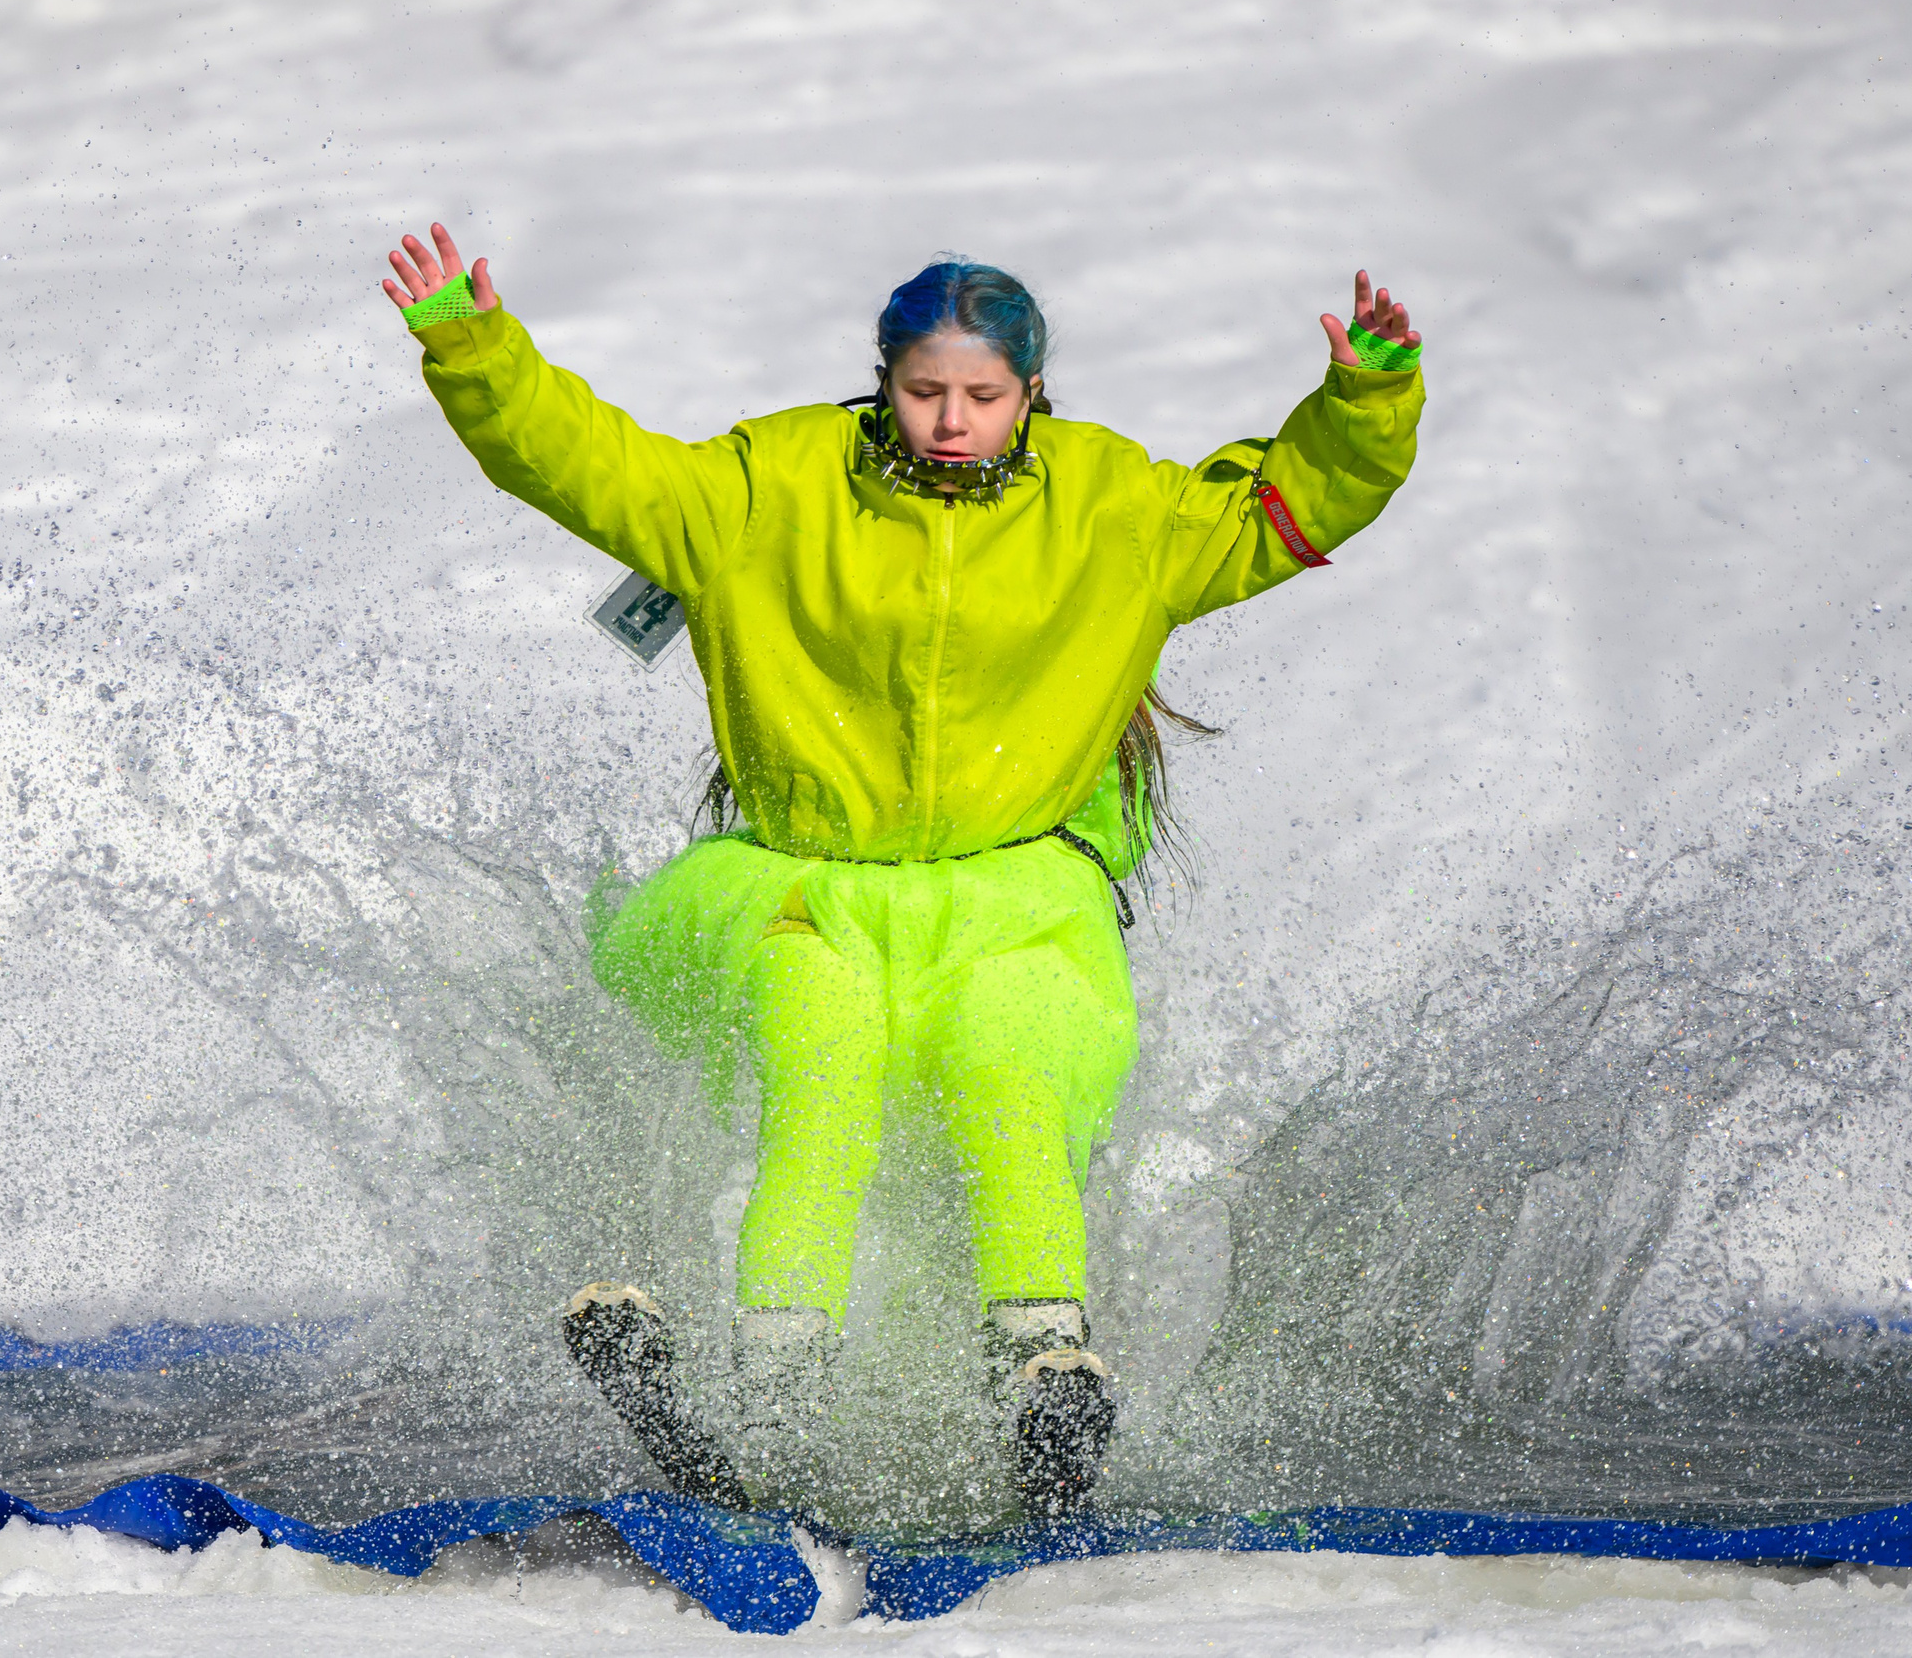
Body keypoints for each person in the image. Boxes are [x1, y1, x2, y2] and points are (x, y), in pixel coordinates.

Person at [380, 228, 1423, 1516]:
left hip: (1012, 907)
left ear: (1032, 392)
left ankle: (1039, 1369)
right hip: (802, 892)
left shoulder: (1111, 509)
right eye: (925, 392)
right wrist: (480, 351)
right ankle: (776, 1387)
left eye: (983, 398)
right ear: (882, 378)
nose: (950, 422)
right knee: (823, 1065)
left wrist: (1364, 399)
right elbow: (593, 469)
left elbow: (1283, 508)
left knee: (1011, 1075)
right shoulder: (774, 485)